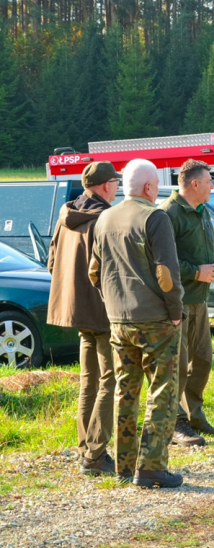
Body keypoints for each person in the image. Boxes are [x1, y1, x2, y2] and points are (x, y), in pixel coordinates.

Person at [90, 159, 184, 488]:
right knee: (162, 391)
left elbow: (93, 271)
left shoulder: (104, 218)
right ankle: (152, 468)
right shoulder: (154, 216)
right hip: (155, 319)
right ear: (148, 187)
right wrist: (175, 310)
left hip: (118, 320)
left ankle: (125, 467)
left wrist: (112, 302)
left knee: (125, 393)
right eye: (157, 186)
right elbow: (167, 274)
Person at [47, 162, 120, 476]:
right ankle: (94, 454)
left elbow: (52, 261)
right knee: (110, 379)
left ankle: (85, 447)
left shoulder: (66, 215)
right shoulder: (105, 218)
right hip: (103, 311)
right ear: (105, 186)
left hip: (76, 310)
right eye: (115, 182)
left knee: (88, 381)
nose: (117, 188)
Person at [160, 159, 214, 446]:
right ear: (195, 184)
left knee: (202, 361)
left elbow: (199, 248)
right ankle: (176, 424)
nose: (213, 185)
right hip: (178, 302)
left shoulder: (203, 210)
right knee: (178, 364)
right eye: (209, 180)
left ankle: (195, 416)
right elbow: (163, 261)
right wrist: (196, 271)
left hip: (200, 300)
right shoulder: (168, 213)